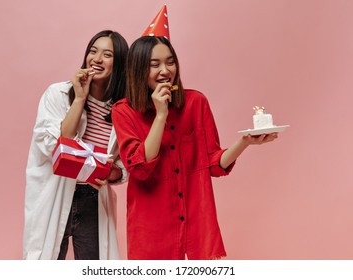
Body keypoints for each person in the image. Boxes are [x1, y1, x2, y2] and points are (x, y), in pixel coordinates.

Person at [111, 36, 278, 260]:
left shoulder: (196, 103)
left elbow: (214, 163)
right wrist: (161, 114)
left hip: (197, 232)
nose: (165, 70)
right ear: (138, 68)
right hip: (152, 235)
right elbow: (140, 167)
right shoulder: (124, 111)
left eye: (170, 62)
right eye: (154, 64)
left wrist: (245, 142)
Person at [24, 30, 129, 260]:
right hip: (56, 193)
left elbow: (123, 167)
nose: (97, 59)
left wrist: (110, 172)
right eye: (93, 51)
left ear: (120, 63)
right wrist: (80, 99)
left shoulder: (123, 109)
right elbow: (60, 145)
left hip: (92, 199)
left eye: (107, 54)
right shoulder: (58, 94)